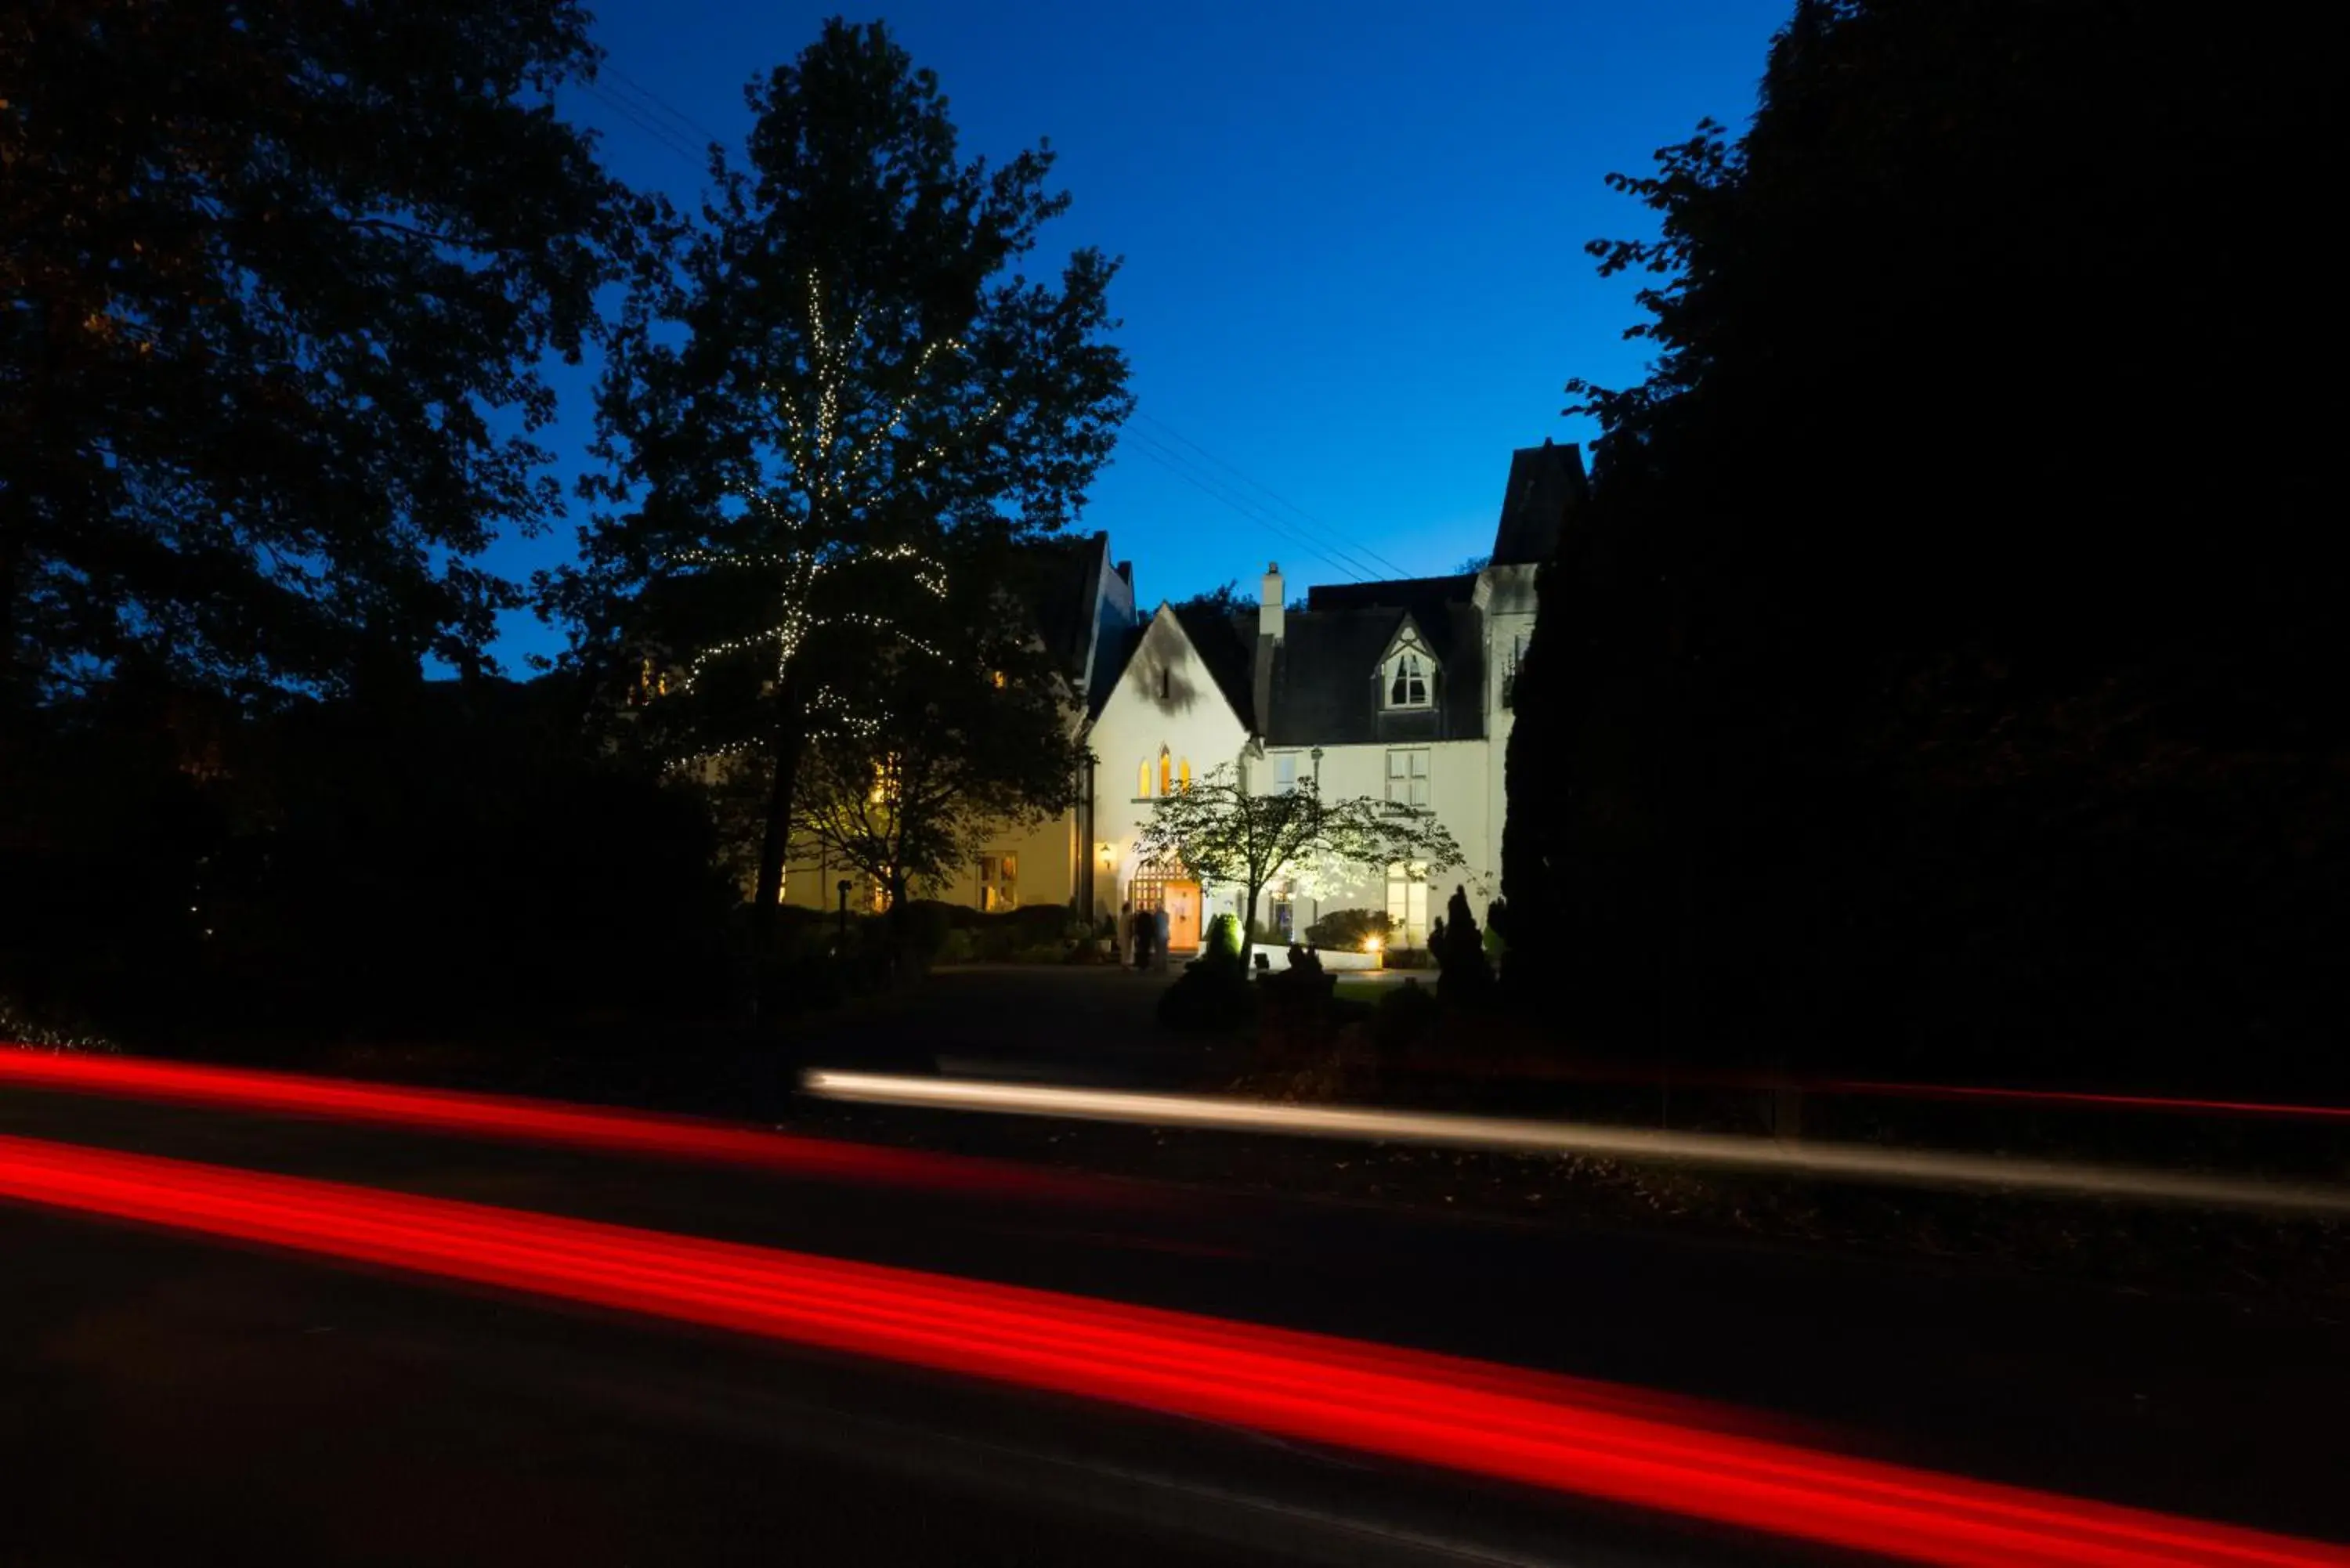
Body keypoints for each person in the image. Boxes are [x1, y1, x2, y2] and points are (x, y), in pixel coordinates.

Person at [1132, 902, 1153, 972]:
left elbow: (1137, 927)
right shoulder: (1148, 916)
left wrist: (1137, 934)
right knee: (1146, 950)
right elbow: (1151, 926)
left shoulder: (1139, 917)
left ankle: (1142, 965)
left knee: (1142, 950)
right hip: (1147, 936)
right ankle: (1146, 964)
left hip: (1142, 936)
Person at [1153, 903, 1172, 973]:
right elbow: (1167, 923)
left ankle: (1158, 966)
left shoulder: (1155, 915)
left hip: (1158, 935)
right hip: (1165, 935)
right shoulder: (1167, 915)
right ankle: (1164, 966)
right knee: (1164, 952)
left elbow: (1154, 925)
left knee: (1158, 952)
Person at [1118, 901, 1133, 967]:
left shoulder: (1122, 917)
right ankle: (1126, 964)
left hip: (1122, 936)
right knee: (1127, 951)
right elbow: (1129, 927)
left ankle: (1124, 964)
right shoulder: (1127, 917)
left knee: (1124, 951)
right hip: (1126, 936)